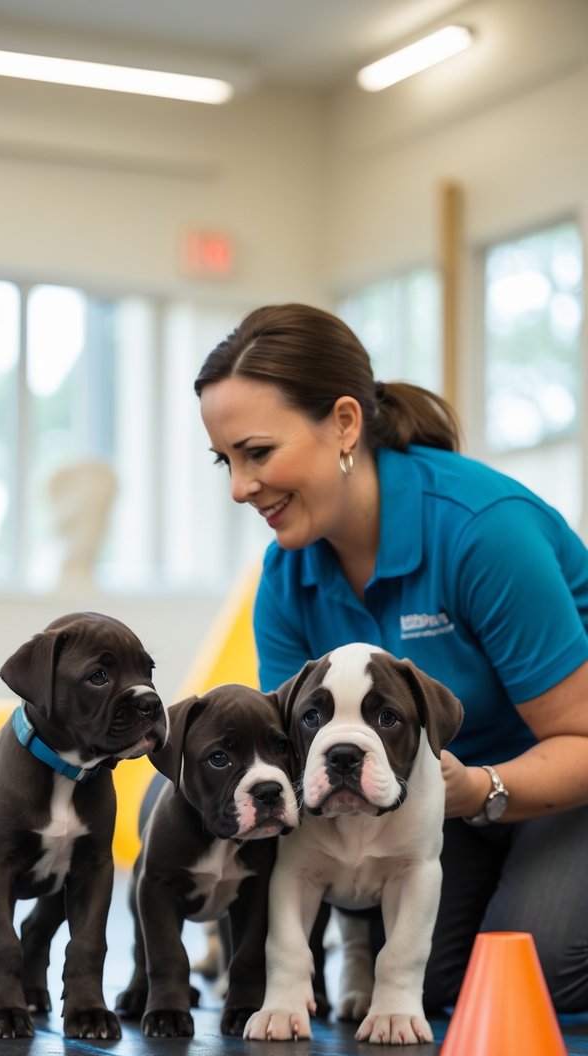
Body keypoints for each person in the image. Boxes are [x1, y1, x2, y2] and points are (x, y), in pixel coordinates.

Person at [195, 302, 588, 1014]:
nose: (239, 487)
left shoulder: (483, 533)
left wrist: (482, 791)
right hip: (439, 800)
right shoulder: (286, 577)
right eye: (226, 461)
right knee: (435, 987)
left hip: (560, 785)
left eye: (257, 452)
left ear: (345, 423)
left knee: (543, 968)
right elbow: (289, 756)